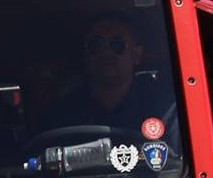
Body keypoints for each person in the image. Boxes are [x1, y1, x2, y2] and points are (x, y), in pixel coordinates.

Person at [42, 15, 176, 140]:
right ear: (86, 54)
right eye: (96, 45)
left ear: (136, 54)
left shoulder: (164, 107)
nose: (105, 53)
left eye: (117, 45)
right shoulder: (62, 114)